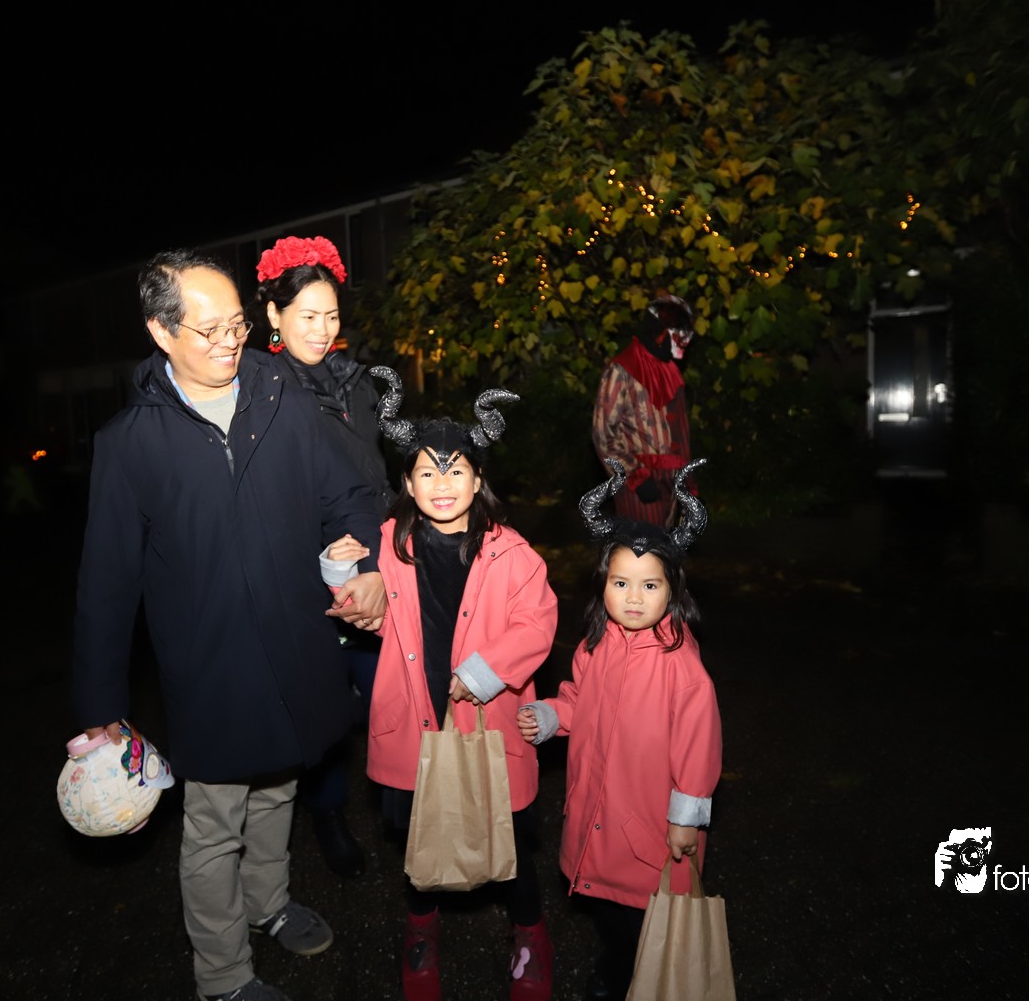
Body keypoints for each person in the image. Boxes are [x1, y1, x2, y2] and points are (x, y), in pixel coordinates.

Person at [70, 249, 389, 1001]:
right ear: (161, 331)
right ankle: (222, 975)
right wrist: (99, 710)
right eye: (207, 330)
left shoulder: (284, 397)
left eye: (237, 326)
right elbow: (106, 586)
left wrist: (364, 561)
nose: (228, 343)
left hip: (296, 641)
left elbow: (347, 493)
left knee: (278, 788)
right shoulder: (130, 443)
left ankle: (268, 904)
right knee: (215, 822)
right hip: (209, 665)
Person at [325, 366, 558, 1001]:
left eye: (456, 471)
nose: (443, 484)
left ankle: (531, 935)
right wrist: (341, 574)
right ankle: (421, 929)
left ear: (479, 479)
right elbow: (364, 611)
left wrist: (483, 672)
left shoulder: (512, 553)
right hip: (414, 721)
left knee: (509, 842)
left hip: (490, 721)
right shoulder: (387, 544)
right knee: (421, 840)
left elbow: (538, 621)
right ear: (406, 482)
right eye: (427, 472)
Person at [518, 458, 722, 1001]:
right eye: (621, 583)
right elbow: (579, 700)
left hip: (647, 826)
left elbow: (699, 749)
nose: (633, 597)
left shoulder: (682, 668)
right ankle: (616, 968)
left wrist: (685, 818)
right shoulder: (596, 645)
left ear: (672, 589)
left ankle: (639, 978)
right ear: (603, 584)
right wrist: (551, 716)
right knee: (607, 909)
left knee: (644, 917)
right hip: (598, 812)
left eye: (649, 584)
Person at [256, 234, 394, 879]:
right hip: (310, 571)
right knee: (325, 700)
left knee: (387, 687)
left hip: (375, 556)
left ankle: (397, 795)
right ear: (273, 315)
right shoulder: (262, 389)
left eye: (331, 315)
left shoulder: (355, 381)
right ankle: (329, 811)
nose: (322, 329)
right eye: (307, 315)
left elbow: (374, 471)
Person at [592, 294, 696, 527]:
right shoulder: (621, 370)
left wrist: (688, 483)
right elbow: (604, 434)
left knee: (667, 549)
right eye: (679, 335)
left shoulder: (671, 372)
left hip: (672, 484)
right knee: (642, 548)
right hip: (639, 488)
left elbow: (681, 435)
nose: (684, 343)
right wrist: (635, 477)